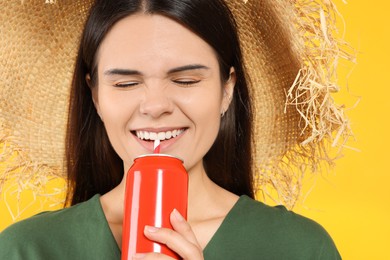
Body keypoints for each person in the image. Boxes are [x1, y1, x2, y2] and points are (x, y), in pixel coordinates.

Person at [0, 0, 348, 259]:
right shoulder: (26, 249)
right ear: (95, 96)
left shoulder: (300, 249)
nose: (155, 105)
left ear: (227, 90)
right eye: (125, 84)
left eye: (185, 80)